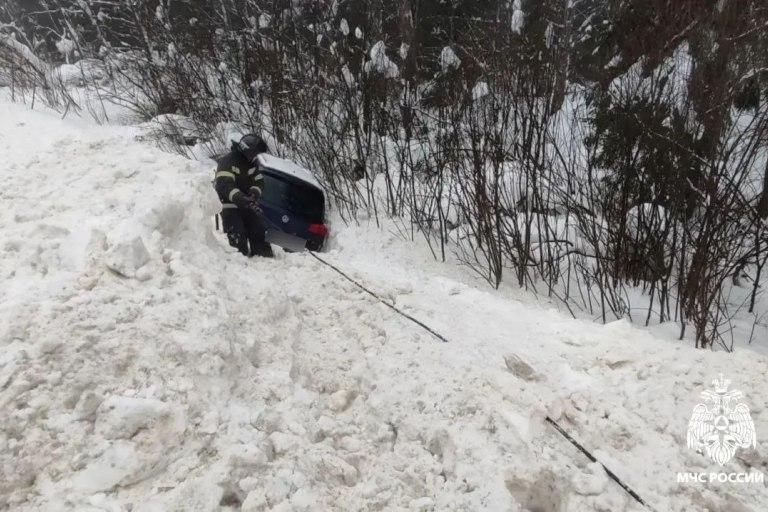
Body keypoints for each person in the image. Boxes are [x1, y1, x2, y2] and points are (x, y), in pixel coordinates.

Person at [214, 133, 274, 258]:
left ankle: (263, 254)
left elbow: (259, 181)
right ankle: (240, 260)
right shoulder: (228, 161)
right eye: (255, 153)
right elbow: (223, 186)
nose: (256, 156)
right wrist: (239, 197)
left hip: (246, 204)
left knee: (258, 228)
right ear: (248, 150)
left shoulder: (251, 163)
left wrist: (254, 192)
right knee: (238, 235)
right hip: (229, 205)